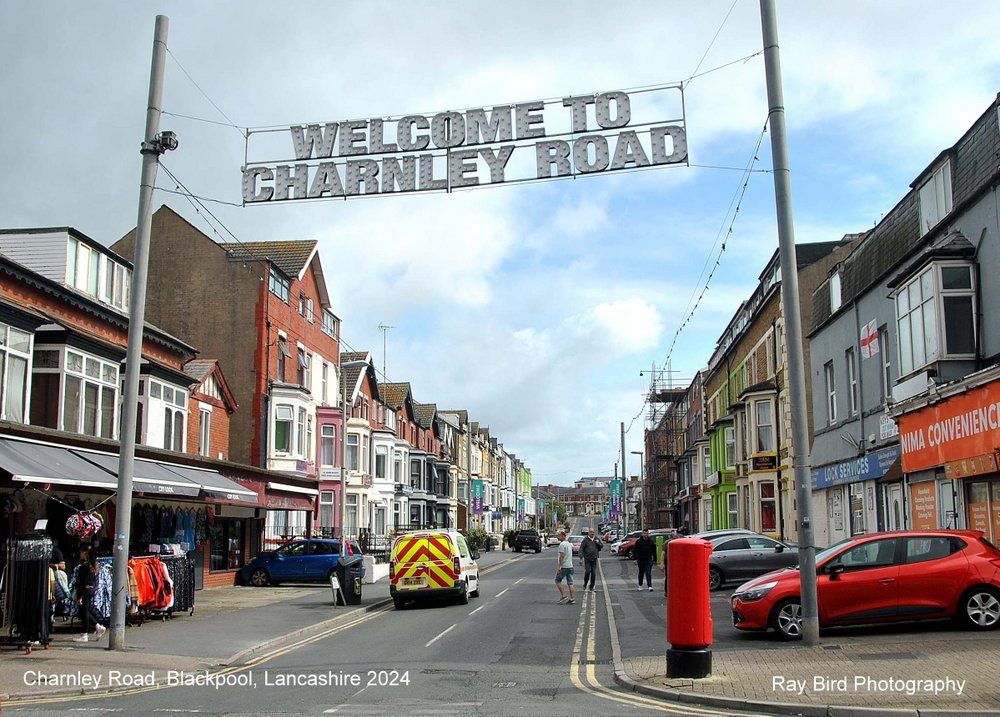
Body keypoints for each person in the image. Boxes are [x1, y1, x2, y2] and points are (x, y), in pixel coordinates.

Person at [73, 547, 105, 643]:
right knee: (85, 610)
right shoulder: (94, 565)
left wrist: (80, 596)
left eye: (81, 552)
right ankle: (97, 626)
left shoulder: (84, 566)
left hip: (85, 590)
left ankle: (85, 633)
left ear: (85, 553)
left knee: (84, 612)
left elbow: (81, 582)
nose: (80, 554)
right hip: (91, 589)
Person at [553, 529, 576, 605]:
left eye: (559, 536)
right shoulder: (569, 544)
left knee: (557, 580)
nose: (557, 537)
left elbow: (561, 556)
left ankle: (564, 595)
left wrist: (560, 566)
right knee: (570, 583)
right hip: (570, 566)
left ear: (563, 536)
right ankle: (572, 599)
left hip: (564, 567)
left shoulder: (562, 545)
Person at [578, 527, 602, 592]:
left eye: (593, 532)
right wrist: (581, 558)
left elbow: (601, 546)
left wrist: (598, 543)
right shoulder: (585, 540)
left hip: (594, 558)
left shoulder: (596, 539)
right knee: (588, 571)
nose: (592, 533)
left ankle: (592, 586)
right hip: (587, 559)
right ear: (588, 533)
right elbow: (581, 548)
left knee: (593, 573)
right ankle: (585, 583)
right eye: (591, 532)